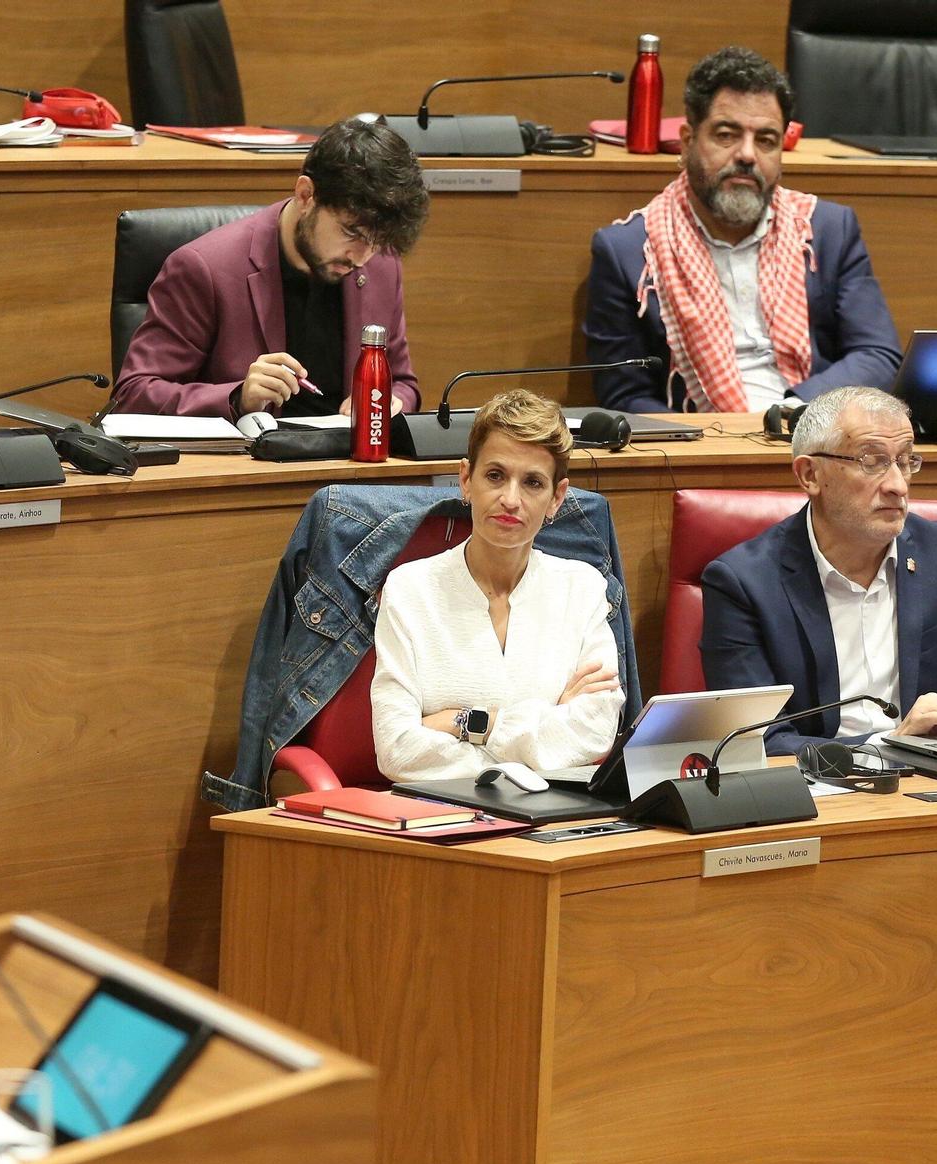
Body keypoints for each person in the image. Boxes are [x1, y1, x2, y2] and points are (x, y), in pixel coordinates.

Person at [582, 46, 901, 414]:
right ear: (687, 143)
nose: (747, 155)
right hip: (700, 450)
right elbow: (623, 395)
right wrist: (711, 447)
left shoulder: (828, 230)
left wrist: (798, 410)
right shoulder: (626, 251)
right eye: (726, 135)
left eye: (766, 140)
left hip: (815, 430)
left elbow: (878, 354)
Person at [701, 386, 937, 757]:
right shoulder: (742, 582)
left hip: (936, 777)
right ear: (810, 474)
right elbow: (756, 739)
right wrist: (889, 745)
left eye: (905, 461)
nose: (897, 485)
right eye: (871, 461)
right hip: (817, 790)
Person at [371, 390, 625, 781]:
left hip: (549, 817)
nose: (510, 499)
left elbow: (594, 733)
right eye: (495, 475)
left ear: (557, 497)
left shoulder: (583, 589)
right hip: (444, 820)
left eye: (533, 483)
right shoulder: (409, 589)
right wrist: (547, 723)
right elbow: (397, 751)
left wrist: (468, 724)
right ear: (465, 480)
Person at [112, 117, 431, 419]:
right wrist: (239, 398)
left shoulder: (382, 265)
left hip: (347, 467)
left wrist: (392, 402)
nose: (362, 257)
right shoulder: (204, 268)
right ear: (306, 195)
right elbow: (132, 395)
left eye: (377, 241)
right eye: (351, 233)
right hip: (248, 470)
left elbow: (403, 383)